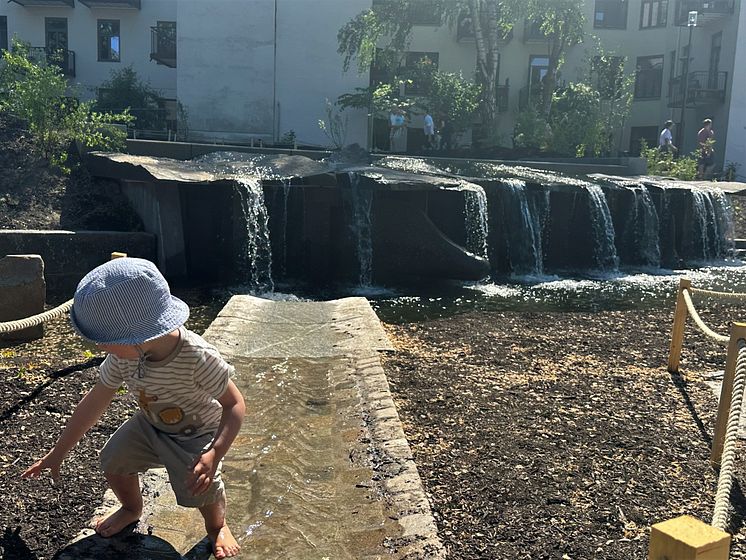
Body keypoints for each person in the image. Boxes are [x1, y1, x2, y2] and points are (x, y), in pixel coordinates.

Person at [22, 258, 245, 559]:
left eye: (105, 342)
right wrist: (59, 452)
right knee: (113, 459)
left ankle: (217, 526)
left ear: (140, 338)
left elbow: (234, 404)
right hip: (150, 423)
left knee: (200, 485)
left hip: (196, 432)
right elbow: (96, 399)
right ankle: (131, 507)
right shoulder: (124, 357)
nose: (101, 349)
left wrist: (214, 452)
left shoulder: (197, 358)